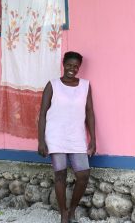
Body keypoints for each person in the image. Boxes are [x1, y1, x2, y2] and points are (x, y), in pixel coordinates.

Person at [38, 51, 96, 223]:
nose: (72, 68)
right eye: (69, 65)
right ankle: (63, 213)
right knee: (60, 175)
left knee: (83, 175)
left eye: (76, 66)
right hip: (55, 135)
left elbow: (89, 112)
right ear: (64, 64)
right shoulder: (53, 85)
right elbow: (42, 114)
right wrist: (41, 140)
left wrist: (93, 139)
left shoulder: (85, 85)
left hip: (76, 136)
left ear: (79, 67)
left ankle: (72, 209)